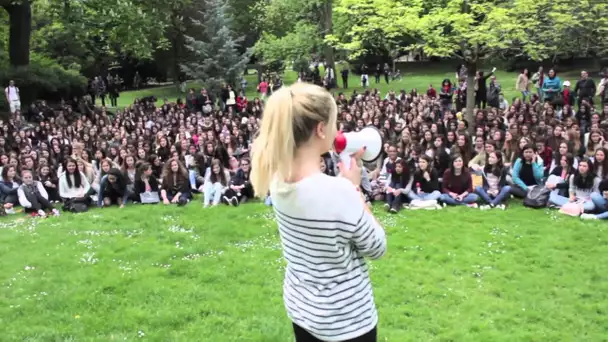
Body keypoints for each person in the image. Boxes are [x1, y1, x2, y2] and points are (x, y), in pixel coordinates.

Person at [250, 83, 386, 342]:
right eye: (334, 122)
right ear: (321, 129)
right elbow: (377, 246)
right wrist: (355, 189)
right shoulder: (340, 192)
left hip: (303, 310)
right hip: (347, 321)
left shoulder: (278, 179)